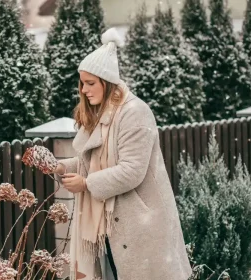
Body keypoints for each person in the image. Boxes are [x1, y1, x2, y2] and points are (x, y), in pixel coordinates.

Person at [53, 28, 192, 280]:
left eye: (90, 83)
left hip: (141, 224)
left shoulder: (134, 113)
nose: (84, 89)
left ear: (107, 83)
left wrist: (85, 183)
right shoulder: (100, 115)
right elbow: (91, 160)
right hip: (109, 225)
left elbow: (132, 171)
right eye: (82, 83)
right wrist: (62, 167)